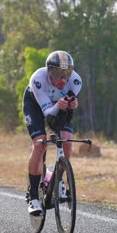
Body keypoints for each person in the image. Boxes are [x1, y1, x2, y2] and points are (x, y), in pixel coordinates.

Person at [22, 50, 82, 215]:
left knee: (67, 143)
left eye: (66, 74)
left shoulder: (76, 81)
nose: (63, 80)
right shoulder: (38, 79)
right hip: (36, 105)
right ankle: (33, 196)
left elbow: (67, 106)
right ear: (49, 72)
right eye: (58, 75)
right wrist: (60, 105)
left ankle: (57, 181)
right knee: (40, 144)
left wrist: (72, 104)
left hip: (58, 105)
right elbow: (48, 113)